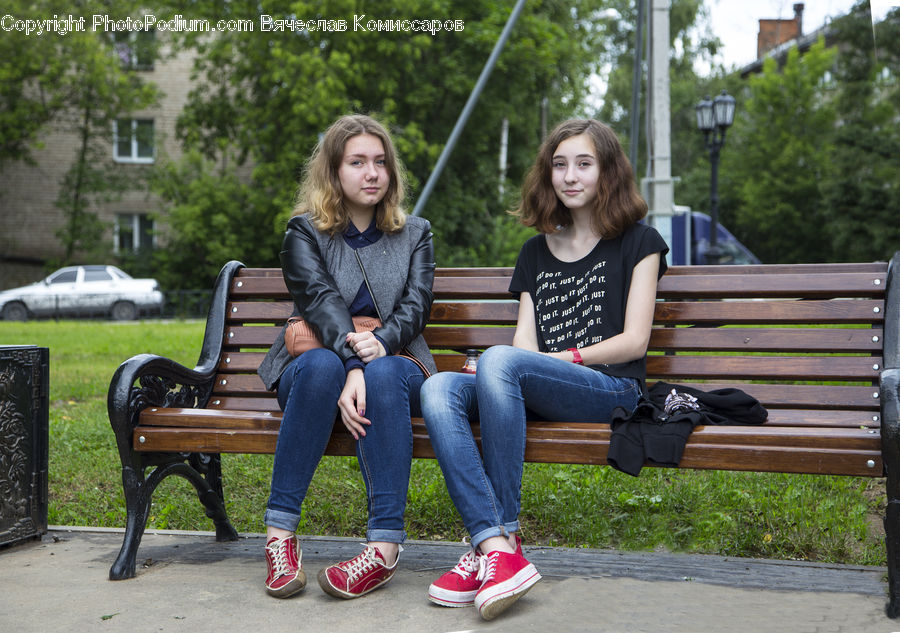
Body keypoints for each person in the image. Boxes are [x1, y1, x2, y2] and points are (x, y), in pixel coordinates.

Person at [420, 118, 668, 620]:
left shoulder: (641, 242)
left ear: (608, 173)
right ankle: (496, 547)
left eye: (583, 164)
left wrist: (562, 359)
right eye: (559, 165)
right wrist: (515, 367)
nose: (570, 176)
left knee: (501, 362)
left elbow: (635, 340)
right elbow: (523, 343)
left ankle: (502, 539)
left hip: (610, 387)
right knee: (440, 389)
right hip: (537, 382)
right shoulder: (535, 252)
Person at [257, 114, 436, 600]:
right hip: (319, 367)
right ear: (334, 171)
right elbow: (320, 302)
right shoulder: (304, 232)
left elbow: (416, 307)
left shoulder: (415, 233)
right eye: (357, 162)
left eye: (380, 162)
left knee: (383, 375)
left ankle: (383, 548)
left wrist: (378, 349)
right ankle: (279, 537)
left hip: (395, 363)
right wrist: (353, 365)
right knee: (321, 365)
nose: (372, 173)